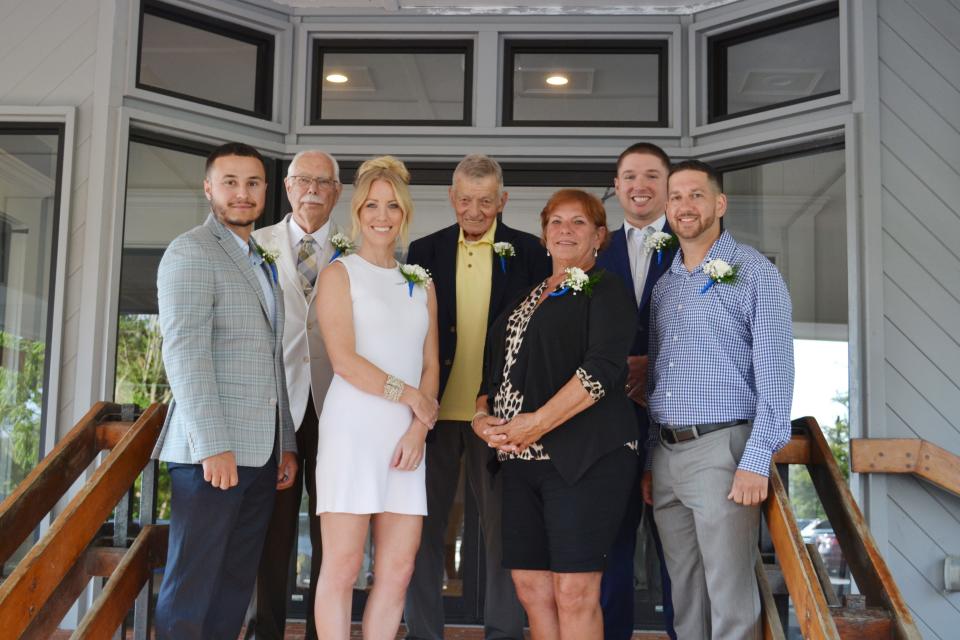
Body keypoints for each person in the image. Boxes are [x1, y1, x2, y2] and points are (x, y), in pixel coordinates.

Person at [475, 189, 639, 640]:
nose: (565, 230)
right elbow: (493, 377)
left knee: (574, 590)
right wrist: (481, 418)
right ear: (544, 236)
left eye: (579, 222)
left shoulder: (606, 289)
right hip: (519, 463)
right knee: (531, 587)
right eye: (556, 222)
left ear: (599, 237)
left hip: (586, 458)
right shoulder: (527, 296)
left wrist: (537, 423)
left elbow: (601, 371)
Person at [642, 160, 794, 639]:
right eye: (676, 197)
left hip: (722, 452)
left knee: (730, 597)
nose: (685, 206)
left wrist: (756, 458)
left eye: (696, 195)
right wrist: (650, 458)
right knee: (684, 597)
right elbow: (658, 379)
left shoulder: (753, 273)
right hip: (666, 456)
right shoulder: (665, 287)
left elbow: (777, 375)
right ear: (666, 209)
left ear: (719, 204)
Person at [153, 142, 297, 640]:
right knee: (192, 584)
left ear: (265, 192)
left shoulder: (261, 260)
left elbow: (271, 359)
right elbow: (185, 352)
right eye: (230, 182)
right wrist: (212, 443)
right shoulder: (191, 251)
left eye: (253, 183)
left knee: (234, 586)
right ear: (209, 188)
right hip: (210, 456)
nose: (242, 193)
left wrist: (287, 445)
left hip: (260, 457)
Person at [404, 154, 549, 640]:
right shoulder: (423, 251)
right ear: (452, 197)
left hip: (501, 419)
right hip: (433, 414)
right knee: (423, 531)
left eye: (485, 201)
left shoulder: (529, 252)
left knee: (503, 534)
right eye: (465, 199)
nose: (474, 210)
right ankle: (424, 632)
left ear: (502, 201)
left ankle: (503, 632)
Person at [313, 156, 440, 639]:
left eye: (391, 206)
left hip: (406, 440)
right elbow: (343, 359)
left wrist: (417, 428)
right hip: (353, 432)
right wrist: (409, 396)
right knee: (343, 567)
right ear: (357, 212)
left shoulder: (421, 282)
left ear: (404, 212)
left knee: (398, 570)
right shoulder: (340, 274)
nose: (381, 215)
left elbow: (431, 363)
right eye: (371, 205)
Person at [245, 150, 343, 640]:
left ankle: (323, 631)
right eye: (303, 180)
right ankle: (267, 631)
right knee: (273, 530)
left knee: (332, 526)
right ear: (286, 188)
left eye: (322, 182)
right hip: (275, 402)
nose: (312, 190)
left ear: (337, 193)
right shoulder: (255, 245)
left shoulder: (356, 250)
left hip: (337, 406)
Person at [595, 143, 676, 640]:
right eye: (629, 176)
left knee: (678, 552)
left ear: (668, 185)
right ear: (617, 185)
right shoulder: (594, 245)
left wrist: (657, 367)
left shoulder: (698, 245)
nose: (639, 185)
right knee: (612, 546)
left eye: (651, 175)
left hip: (675, 421)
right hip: (609, 419)